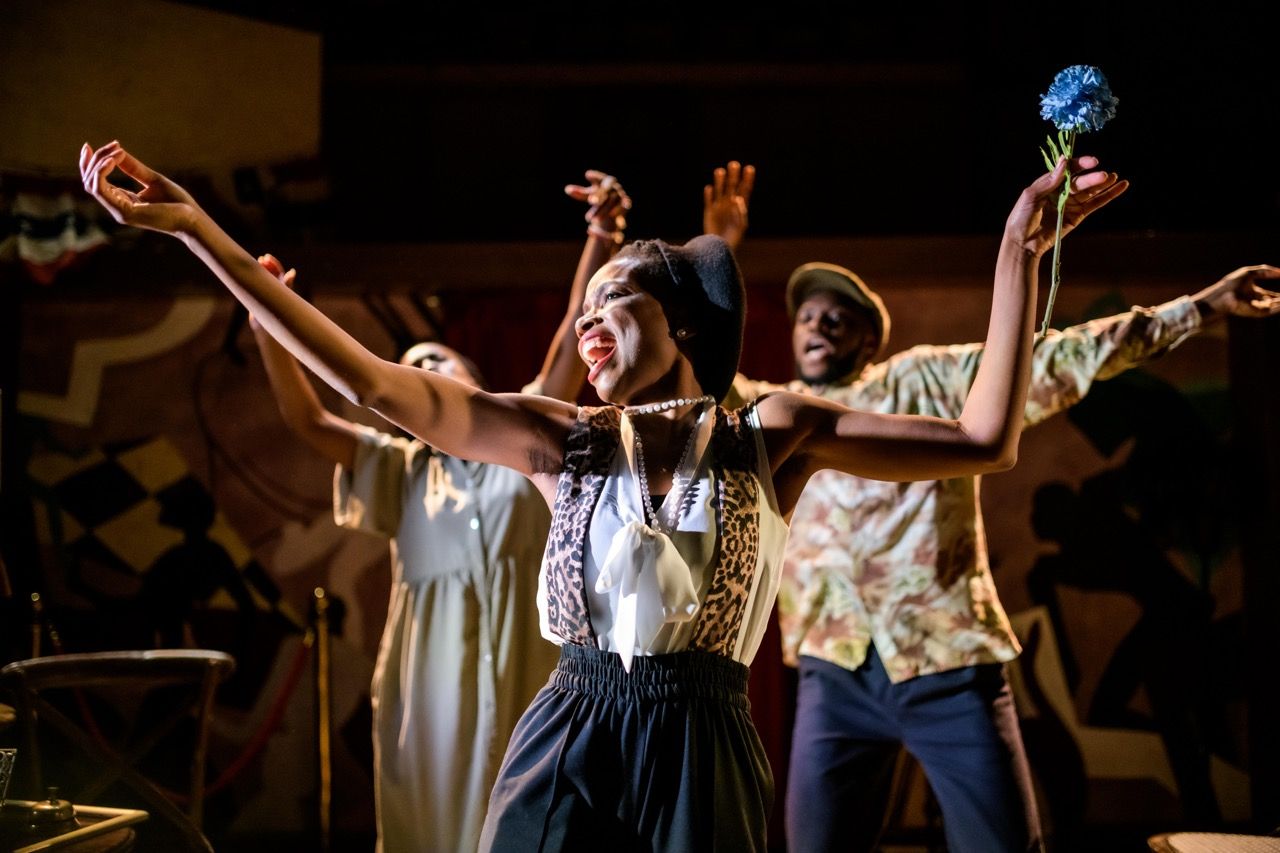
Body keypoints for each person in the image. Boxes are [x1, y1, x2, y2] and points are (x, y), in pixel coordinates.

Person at [79, 138, 1124, 851]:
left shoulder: (768, 433)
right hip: (571, 720)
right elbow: (371, 385)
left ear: (680, 327)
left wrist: (1011, 253)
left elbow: (984, 437)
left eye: (613, 297)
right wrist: (195, 232)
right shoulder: (555, 440)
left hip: (700, 737)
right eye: (581, 306)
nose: (588, 319)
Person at [706, 160, 1280, 852]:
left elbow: (1058, 354)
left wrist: (1203, 307)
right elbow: (699, 382)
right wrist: (719, 252)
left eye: (839, 317)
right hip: (834, 671)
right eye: (806, 316)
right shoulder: (775, 410)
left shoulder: (924, 378)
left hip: (949, 662)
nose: (818, 325)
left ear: (866, 337)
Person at [246, 172, 630, 852]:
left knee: (527, 808)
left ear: (473, 381)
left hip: (526, 658)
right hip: (431, 676)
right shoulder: (398, 469)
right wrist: (265, 319)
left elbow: (569, 351)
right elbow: (307, 419)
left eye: (435, 357)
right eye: (410, 362)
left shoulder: (524, 443)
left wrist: (600, 238)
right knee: (433, 816)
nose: (419, 364)